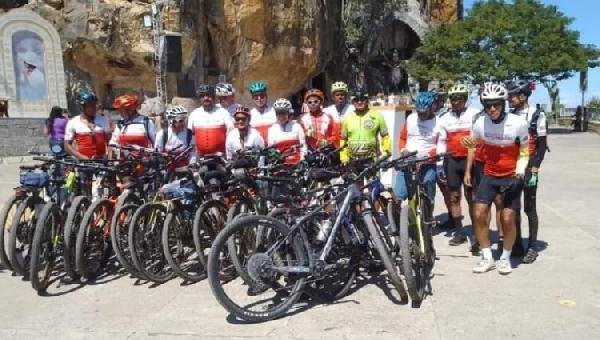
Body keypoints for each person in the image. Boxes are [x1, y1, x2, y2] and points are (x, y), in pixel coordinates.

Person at [469, 83, 529, 275]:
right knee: (478, 214)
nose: (492, 109)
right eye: (488, 105)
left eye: (496, 105)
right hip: (489, 174)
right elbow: (472, 145)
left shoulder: (518, 123)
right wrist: (467, 169)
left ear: (503, 104)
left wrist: (520, 173)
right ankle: (487, 257)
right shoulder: (479, 123)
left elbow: (525, 151)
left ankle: (504, 258)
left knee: (507, 219)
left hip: (511, 176)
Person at [506, 79, 547, 262]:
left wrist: (535, 168)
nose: (509, 99)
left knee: (530, 208)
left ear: (522, 96)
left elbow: (541, 145)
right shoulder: (509, 115)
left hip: (530, 165)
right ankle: (516, 244)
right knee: (513, 207)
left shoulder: (537, 115)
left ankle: (532, 246)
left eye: (512, 96)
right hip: (512, 166)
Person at [437, 84, 480, 250]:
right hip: (452, 161)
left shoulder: (475, 114)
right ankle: (460, 232)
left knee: (472, 197)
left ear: (465, 99)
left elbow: (478, 137)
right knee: (454, 196)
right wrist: (440, 165)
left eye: (459, 99)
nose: (456, 102)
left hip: (471, 160)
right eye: (453, 99)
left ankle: (477, 234)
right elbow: (441, 141)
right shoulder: (444, 117)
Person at [395, 91, 439, 203]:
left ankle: (428, 213)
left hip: (428, 162)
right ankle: (397, 218)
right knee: (398, 195)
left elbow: (441, 145)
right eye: (419, 112)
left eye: (424, 113)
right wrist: (403, 150)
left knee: (428, 185)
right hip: (409, 161)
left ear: (431, 108)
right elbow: (402, 138)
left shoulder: (439, 122)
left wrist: (430, 155)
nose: (421, 115)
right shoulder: (410, 119)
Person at [339, 88, 391, 163]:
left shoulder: (377, 116)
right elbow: (343, 139)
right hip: (352, 161)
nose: (359, 102)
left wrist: (386, 152)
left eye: (362, 99)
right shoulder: (347, 118)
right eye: (356, 100)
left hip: (372, 160)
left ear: (367, 100)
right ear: (353, 102)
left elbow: (385, 136)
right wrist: (343, 156)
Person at [187, 84, 233, 159]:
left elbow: (231, 133)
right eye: (202, 96)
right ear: (199, 98)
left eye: (209, 95)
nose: (206, 98)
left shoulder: (223, 112)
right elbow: (189, 137)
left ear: (214, 97)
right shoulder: (194, 114)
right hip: (200, 158)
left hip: (220, 158)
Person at [64, 90, 111, 160]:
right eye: (90, 106)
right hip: (84, 164)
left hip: (102, 162)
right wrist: (82, 157)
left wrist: (109, 157)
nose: (94, 108)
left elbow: (109, 141)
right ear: (82, 107)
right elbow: (67, 145)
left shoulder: (103, 120)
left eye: (95, 105)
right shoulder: (73, 122)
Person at [267, 98, 306, 165]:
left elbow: (303, 146)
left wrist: (303, 161)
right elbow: (271, 151)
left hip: (298, 163)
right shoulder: (271, 130)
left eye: (284, 113)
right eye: (278, 113)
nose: (281, 116)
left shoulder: (297, 126)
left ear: (288, 113)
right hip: (281, 165)